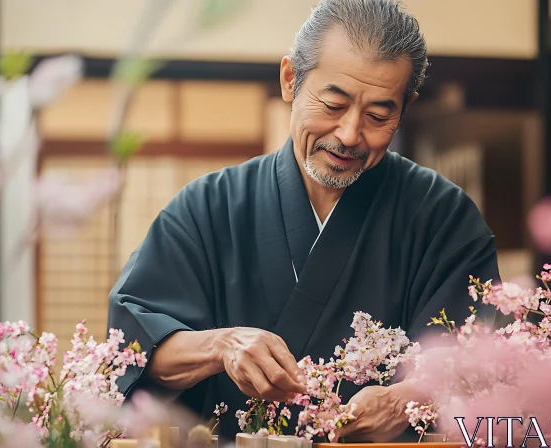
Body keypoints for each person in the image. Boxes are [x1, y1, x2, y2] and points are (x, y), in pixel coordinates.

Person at [108, 0, 500, 442]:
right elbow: (134, 347)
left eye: (377, 115)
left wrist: (408, 398)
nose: (350, 134)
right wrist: (222, 346)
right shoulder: (208, 207)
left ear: (404, 107)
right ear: (291, 79)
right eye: (333, 104)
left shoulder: (443, 217)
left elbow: (476, 360)